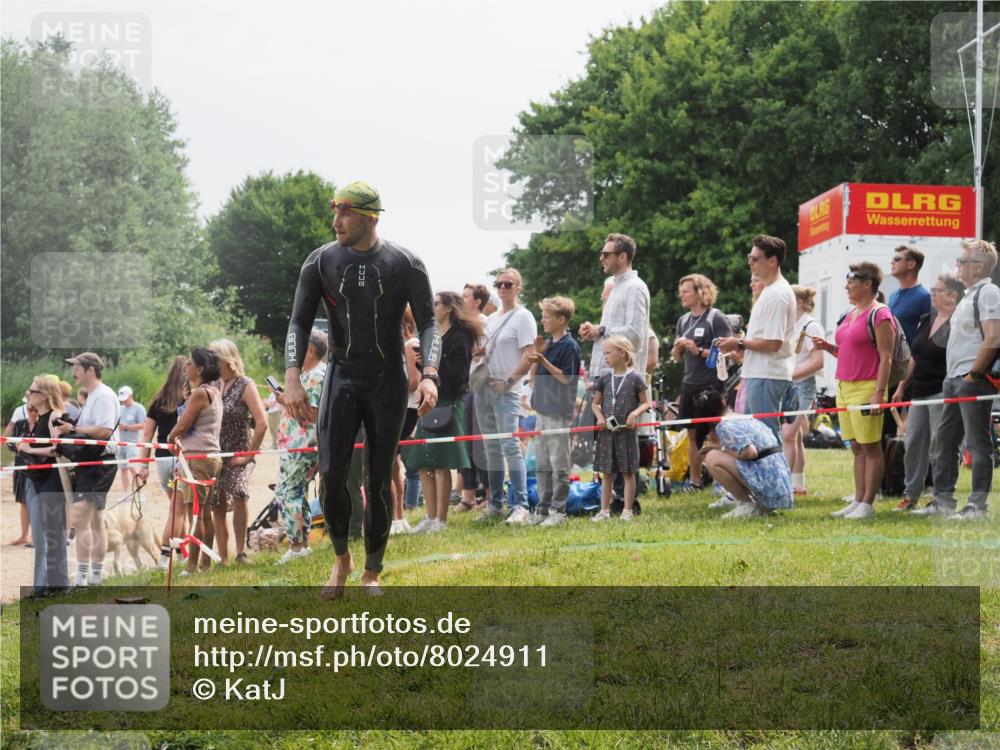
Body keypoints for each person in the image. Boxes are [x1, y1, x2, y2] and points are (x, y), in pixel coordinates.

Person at [284, 180, 440, 597]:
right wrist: (292, 376)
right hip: (343, 376)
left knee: (377, 478)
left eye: (344, 213)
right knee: (332, 476)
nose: (335, 222)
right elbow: (299, 322)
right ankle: (341, 561)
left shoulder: (406, 262)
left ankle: (372, 570)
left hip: (387, 380)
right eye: (334, 211)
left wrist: (429, 374)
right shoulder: (319, 261)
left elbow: (428, 323)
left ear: (370, 217)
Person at [920, 240, 1000, 520]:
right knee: (944, 440)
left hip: (972, 379)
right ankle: (943, 502)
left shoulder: (988, 293)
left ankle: (978, 507)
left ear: (978, 266)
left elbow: (993, 337)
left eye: (962, 261)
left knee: (977, 444)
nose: (957, 265)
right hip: (954, 379)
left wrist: (974, 373)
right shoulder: (968, 295)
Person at [812, 262, 895, 520]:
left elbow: (886, 357)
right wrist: (829, 348)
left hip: (867, 386)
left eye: (851, 280)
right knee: (856, 447)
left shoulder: (880, 314)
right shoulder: (851, 313)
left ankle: (868, 504)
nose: (846, 285)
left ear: (868, 283)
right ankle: (858, 500)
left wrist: (878, 393)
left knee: (871, 448)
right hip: (843, 386)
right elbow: (850, 351)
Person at [406, 291, 481, 533]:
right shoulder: (432, 336)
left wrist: (435, 360)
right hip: (430, 401)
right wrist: (421, 361)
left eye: (435, 303)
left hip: (449, 401)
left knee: (441, 464)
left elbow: (458, 377)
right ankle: (429, 516)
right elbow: (431, 373)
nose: (431, 307)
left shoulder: (460, 337)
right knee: (424, 463)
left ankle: (441, 519)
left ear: (448, 308)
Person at [894, 274, 964, 512]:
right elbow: (915, 356)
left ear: (953, 295)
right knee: (913, 444)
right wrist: (903, 386)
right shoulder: (926, 319)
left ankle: (942, 497)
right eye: (932, 290)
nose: (932, 294)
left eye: (938, 290)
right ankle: (910, 495)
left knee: (940, 446)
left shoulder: (958, 321)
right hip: (919, 392)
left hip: (942, 391)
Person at [472, 268, 537, 525]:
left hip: (507, 390)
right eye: (498, 284)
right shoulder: (490, 319)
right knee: (490, 447)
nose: (502, 288)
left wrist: (510, 381)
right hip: (484, 387)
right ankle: (495, 502)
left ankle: (520, 505)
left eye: (508, 284)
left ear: (518, 287)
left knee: (510, 446)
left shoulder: (524, 316)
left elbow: (529, 354)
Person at [717, 234, 797, 442]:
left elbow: (773, 343)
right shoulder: (770, 291)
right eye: (749, 257)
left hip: (768, 374)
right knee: (757, 435)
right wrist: (742, 348)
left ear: (772, 260)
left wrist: (739, 342)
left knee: (766, 436)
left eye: (755, 258)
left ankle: (775, 475)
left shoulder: (778, 295)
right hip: (760, 373)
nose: (750, 262)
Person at [54, 353, 120, 586]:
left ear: (91, 370)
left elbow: (103, 431)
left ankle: (86, 576)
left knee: (82, 517)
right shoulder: (93, 396)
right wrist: (72, 429)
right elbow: (91, 430)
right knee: (93, 519)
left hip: (101, 462)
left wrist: (72, 430)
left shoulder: (103, 396)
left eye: (78, 369)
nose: (74, 373)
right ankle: (92, 575)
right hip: (92, 462)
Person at [161, 348, 224, 575]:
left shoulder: (200, 394)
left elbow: (183, 427)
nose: (185, 367)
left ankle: (191, 566)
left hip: (197, 458)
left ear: (199, 368)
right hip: (206, 457)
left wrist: (169, 438)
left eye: (189, 363)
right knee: (204, 513)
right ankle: (205, 563)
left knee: (195, 513)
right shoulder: (210, 392)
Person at [670, 273, 734, 493]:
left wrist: (698, 351)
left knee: (715, 432)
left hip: (711, 384)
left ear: (700, 292)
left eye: (685, 291)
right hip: (689, 383)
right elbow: (677, 358)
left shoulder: (715, 318)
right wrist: (678, 350)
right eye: (681, 292)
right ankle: (695, 482)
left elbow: (729, 352)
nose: (681, 295)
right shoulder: (683, 320)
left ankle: (721, 481)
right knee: (692, 434)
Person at [271, 330, 328, 564]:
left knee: (289, 494)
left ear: (311, 350)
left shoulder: (316, 376)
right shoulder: (309, 375)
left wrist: (284, 400)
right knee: (297, 494)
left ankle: (296, 548)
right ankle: (301, 545)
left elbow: (313, 414)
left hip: (303, 445)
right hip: (298, 444)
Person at [209, 338, 268, 565]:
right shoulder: (212, 385)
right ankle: (224, 557)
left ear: (225, 359)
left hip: (239, 453)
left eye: (214, 357)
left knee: (240, 493)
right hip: (216, 454)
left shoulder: (245, 384)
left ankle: (241, 552)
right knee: (218, 503)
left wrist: (248, 456)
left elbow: (261, 423)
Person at [694, 390, 793, 517]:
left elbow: (750, 453)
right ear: (723, 401)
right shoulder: (739, 417)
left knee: (712, 458)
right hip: (780, 484)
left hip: (769, 486)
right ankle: (736, 498)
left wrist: (721, 449)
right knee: (719, 454)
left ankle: (746, 504)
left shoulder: (725, 425)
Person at [528, 296, 581, 526]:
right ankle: (542, 508)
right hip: (541, 410)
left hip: (557, 412)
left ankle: (558, 511)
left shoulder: (569, 346)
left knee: (559, 464)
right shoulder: (548, 344)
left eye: (547, 316)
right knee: (542, 465)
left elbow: (567, 378)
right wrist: (537, 357)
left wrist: (543, 360)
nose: (543, 320)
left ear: (562, 319)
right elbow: (532, 378)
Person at [135, 356, 187, 570]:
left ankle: (183, 554)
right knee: (178, 510)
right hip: (181, 457)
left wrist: (144, 465)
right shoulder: (189, 399)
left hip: (162, 460)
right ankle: (165, 556)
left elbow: (147, 435)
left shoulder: (158, 400)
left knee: (177, 508)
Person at [580, 234, 651, 388]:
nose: (601, 259)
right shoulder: (615, 287)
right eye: (601, 254)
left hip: (622, 383)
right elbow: (611, 334)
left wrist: (601, 330)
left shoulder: (635, 287)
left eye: (606, 254)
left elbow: (634, 335)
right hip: (605, 379)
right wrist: (592, 332)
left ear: (622, 257)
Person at [590, 336, 649, 522]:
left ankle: (628, 510)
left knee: (628, 472)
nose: (605, 357)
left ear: (622, 353)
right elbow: (595, 404)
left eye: (608, 353)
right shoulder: (605, 379)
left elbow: (646, 402)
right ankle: (604, 510)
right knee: (606, 473)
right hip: (607, 433)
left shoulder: (635, 378)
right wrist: (599, 417)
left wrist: (634, 414)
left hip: (627, 433)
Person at [20, 376, 69, 594]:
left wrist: (30, 449)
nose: (28, 394)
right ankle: (42, 586)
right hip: (34, 479)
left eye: (33, 390)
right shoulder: (39, 417)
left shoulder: (55, 416)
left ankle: (55, 585)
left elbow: (57, 448)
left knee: (52, 535)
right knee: (40, 536)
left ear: (45, 395)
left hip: (50, 480)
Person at [781, 286, 826, 496]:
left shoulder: (811, 326)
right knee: (796, 436)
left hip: (802, 385)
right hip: (789, 385)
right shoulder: (791, 324)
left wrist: (792, 373)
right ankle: (798, 484)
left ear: (799, 302)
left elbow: (818, 361)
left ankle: (783, 484)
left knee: (788, 434)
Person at [457, 283, 491, 511]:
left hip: (481, 387)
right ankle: (467, 496)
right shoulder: (464, 325)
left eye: (466, 296)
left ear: (477, 301)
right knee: (466, 443)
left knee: (480, 444)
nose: (462, 299)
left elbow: (486, 355)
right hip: (465, 387)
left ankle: (488, 495)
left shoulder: (485, 323)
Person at [6, 402, 37, 546]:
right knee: (23, 501)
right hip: (21, 465)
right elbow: (10, 443)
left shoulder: (43, 425)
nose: (32, 412)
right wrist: (17, 446)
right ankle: (24, 535)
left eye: (35, 410)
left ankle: (37, 536)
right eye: (30, 409)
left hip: (38, 467)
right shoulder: (19, 424)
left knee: (37, 501)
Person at [888, 245, 931, 346]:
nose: (891, 262)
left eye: (897, 259)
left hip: (910, 360)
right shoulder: (893, 296)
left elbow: (929, 336)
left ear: (911, 264)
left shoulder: (925, 298)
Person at [115, 385, 147, 496]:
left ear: (131, 396)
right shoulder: (120, 408)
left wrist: (127, 427)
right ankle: (126, 493)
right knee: (123, 469)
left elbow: (143, 425)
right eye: (122, 399)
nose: (123, 401)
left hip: (133, 443)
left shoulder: (139, 408)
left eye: (125, 399)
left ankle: (139, 493)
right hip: (121, 443)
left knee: (132, 467)